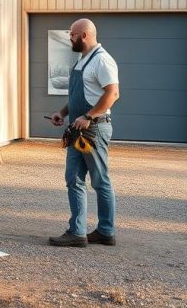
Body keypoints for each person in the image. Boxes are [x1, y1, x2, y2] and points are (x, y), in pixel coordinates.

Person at [48, 18, 120, 247]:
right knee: (73, 178)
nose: (70, 38)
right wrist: (63, 112)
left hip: (94, 129)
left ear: (85, 35)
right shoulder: (82, 61)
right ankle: (77, 232)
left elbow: (113, 94)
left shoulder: (102, 60)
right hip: (78, 130)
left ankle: (106, 231)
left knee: (100, 181)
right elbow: (81, 94)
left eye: (73, 35)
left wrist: (88, 117)